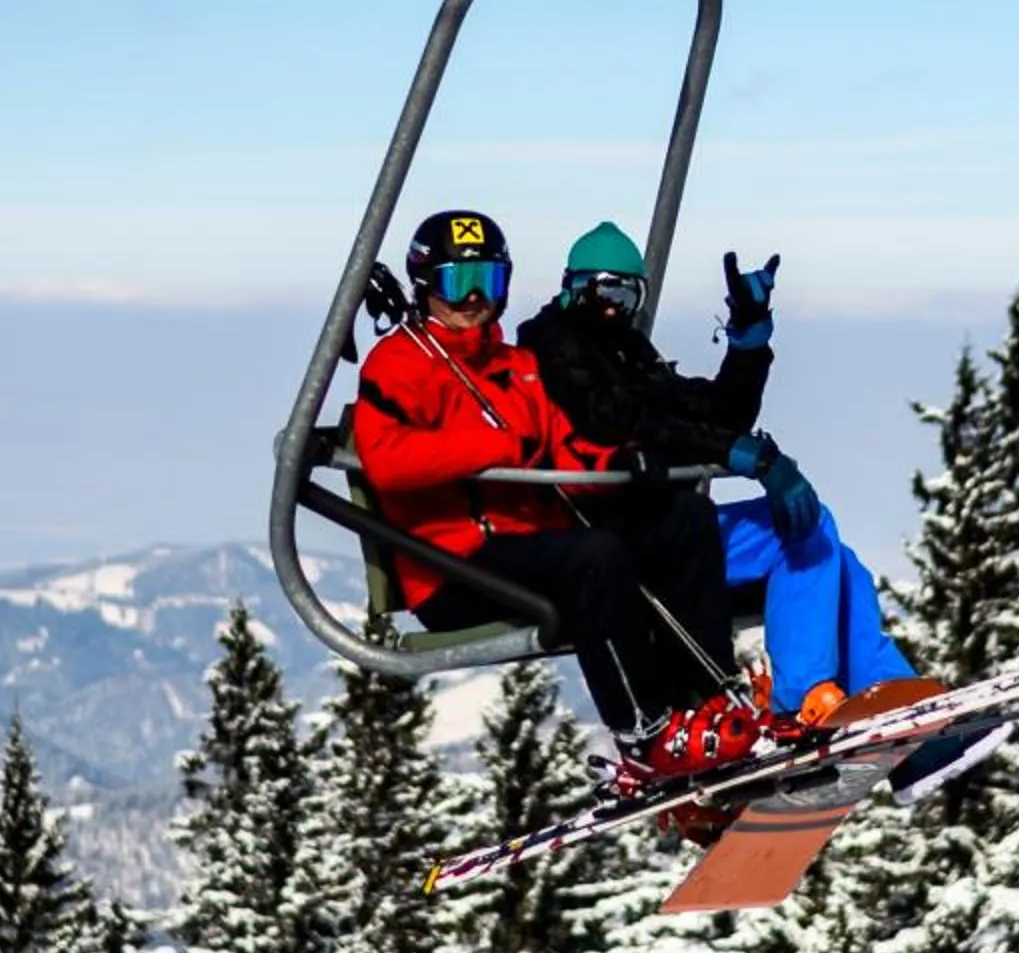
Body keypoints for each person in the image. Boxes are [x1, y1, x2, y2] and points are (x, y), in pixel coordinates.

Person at [350, 208, 766, 779]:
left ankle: (704, 703)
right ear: (425, 286)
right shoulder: (399, 365)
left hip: (534, 545)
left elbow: (563, 451)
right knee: (595, 558)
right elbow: (389, 462)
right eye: (457, 282)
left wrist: (620, 461)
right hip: (457, 566)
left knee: (683, 518)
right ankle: (643, 735)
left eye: (488, 281)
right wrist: (489, 446)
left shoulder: (516, 367)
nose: (473, 298)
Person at [517, 221, 920, 729]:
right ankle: (803, 704)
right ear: (573, 286)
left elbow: (711, 415)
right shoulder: (553, 346)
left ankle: (890, 701)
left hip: (668, 532)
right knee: (809, 536)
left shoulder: (627, 351)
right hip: (621, 540)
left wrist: (748, 347)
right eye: (604, 290)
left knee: (820, 543)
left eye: (628, 292)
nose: (615, 306)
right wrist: (737, 454)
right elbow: (617, 417)